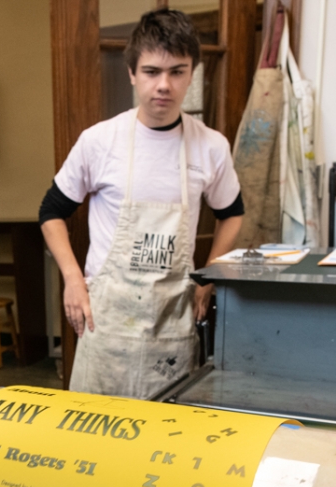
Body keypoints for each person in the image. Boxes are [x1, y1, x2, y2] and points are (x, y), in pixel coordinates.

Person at [40, 9, 244, 399]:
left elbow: (231, 214)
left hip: (171, 327)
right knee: (93, 436)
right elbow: (51, 213)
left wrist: (210, 276)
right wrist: (72, 280)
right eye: (151, 72)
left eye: (177, 71)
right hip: (106, 324)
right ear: (132, 73)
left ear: (192, 73)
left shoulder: (211, 146)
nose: (163, 85)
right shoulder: (100, 141)